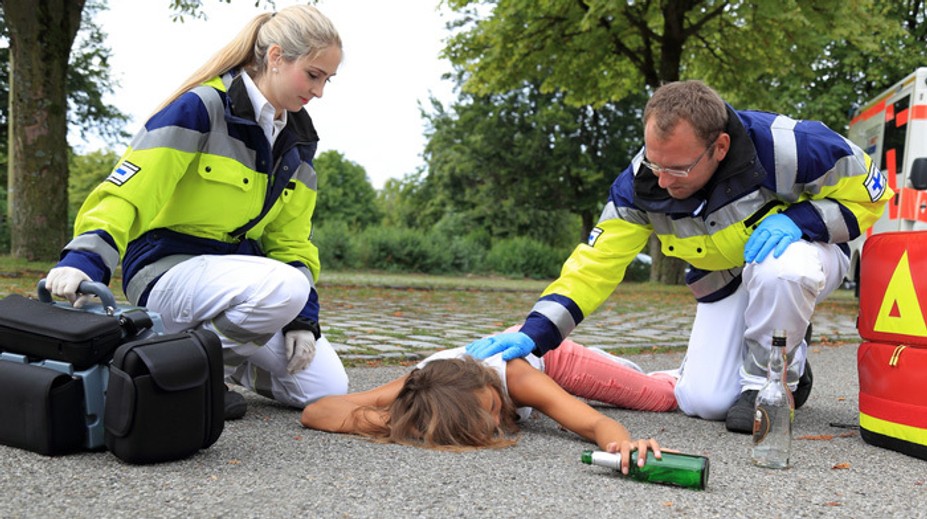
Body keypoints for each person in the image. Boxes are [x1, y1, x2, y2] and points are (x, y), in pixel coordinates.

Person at [467, 80, 892, 434]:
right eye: (656, 164)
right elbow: (593, 267)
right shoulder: (637, 185)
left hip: (804, 254)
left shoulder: (793, 146)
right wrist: (538, 331)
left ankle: (771, 380)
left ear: (720, 147)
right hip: (724, 276)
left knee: (784, 271)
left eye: (680, 169)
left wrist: (801, 220)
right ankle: (790, 347)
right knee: (703, 401)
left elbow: (874, 197)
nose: (665, 181)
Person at [44, 5, 348, 419]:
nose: (320, 92)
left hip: (238, 283)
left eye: (328, 80)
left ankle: (211, 359)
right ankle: (193, 368)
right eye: (313, 75)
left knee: (325, 387)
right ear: (276, 57)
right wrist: (85, 260)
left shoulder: (298, 141)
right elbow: (130, 190)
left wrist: (302, 320)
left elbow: (290, 240)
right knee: (285, 288)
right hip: (166, 270)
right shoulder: (201, 108)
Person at [301, 339, 669, 472]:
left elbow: (592, 424)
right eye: (487, 424)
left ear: (488, 384)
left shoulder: (514, 378)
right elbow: (317, 411)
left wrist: (620, 445)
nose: (499, 421)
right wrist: (404, 422)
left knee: (663, 397)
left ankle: (683, 375)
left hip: (554, 357)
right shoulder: (420, 390)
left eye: (493, 407)